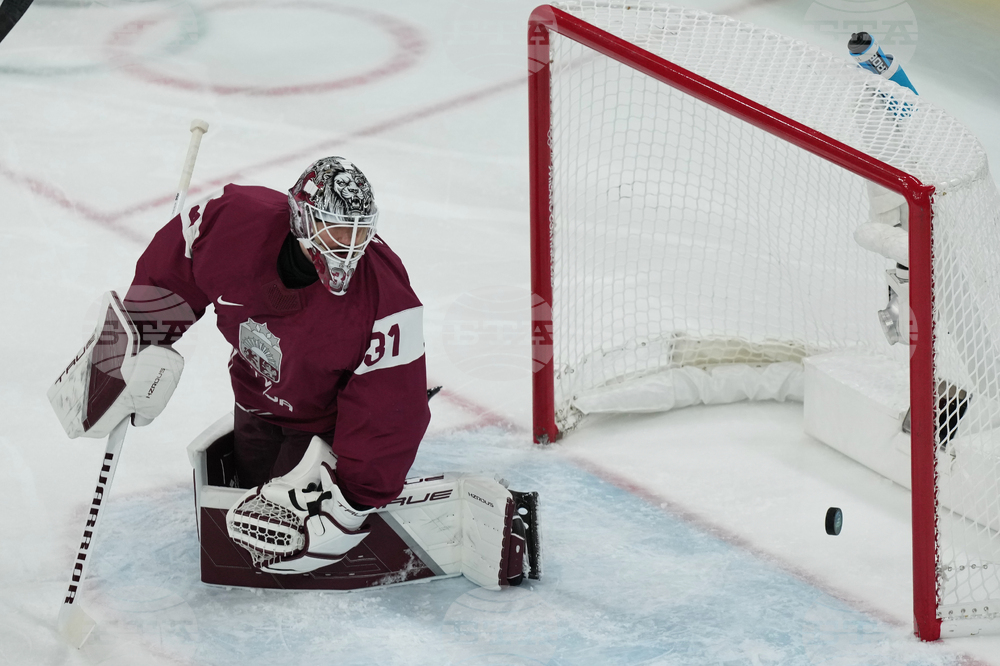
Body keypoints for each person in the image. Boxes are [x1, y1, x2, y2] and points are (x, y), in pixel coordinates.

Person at [123, 155, 430, 516]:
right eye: (336, 230)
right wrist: (139, 338)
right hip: (254, 400)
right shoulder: (234, 223)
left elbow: (388, 406)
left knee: (279, 519)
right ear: (302, 218)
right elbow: (173, 268)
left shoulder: (385, 296)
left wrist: (355, 498)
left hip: (322, 426)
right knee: (247, 497)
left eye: (359, 231)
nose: (349, 247)